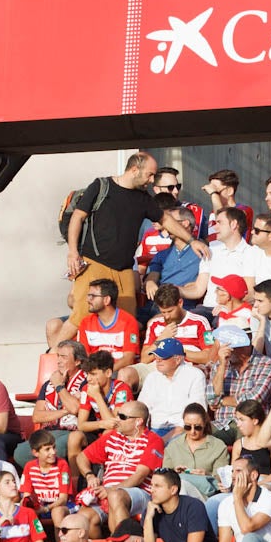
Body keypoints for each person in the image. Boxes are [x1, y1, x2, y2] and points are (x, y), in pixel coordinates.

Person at [61, 152, 198, 329]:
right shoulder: (101, 186)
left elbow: (165, 219)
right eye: (149, 174)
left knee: (127, 322)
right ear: (134, 169)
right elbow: (77, 218)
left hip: (124, 268)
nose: (151, 180)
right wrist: (73, 252)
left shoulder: (142, 198)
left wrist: (192, 240)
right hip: (94, 263)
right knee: (82, 315)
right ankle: (55, 353)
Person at [71, 400, 165, 532]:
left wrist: (110, 490)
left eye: (122, 417)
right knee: (83, 518)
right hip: (108, 491)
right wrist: (89, 475)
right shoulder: (112, 437)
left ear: (138, 421)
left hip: (139, 492)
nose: (116, 420)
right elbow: (82, 457)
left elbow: (139, 476)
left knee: (116, 496)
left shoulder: (153, 441)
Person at [141, 467, 212, 542]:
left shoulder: (193, 506)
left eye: (157, 486)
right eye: (151, 485)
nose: (152, 490)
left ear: (173, 490)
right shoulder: (151, 511)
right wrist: (148, 518)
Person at [137, 338, 205, 437]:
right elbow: (142, 408)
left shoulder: (195, 375)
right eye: (156, 356)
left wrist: (167, 438)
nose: (157, 360)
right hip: (154, 428)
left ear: (178, 359)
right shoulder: (152, 377)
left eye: (163, 357)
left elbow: (197, 411)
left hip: (184, 429)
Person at [161, 403, 227, 497]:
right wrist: (174, 473)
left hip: (206, 496)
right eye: (188, 427)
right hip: (177, 495)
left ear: (204, 424)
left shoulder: (218, 446)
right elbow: (165, 477)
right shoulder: (173, 446)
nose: (192, 431)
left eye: (197, 427)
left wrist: (207, 474)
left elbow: (222, 478)